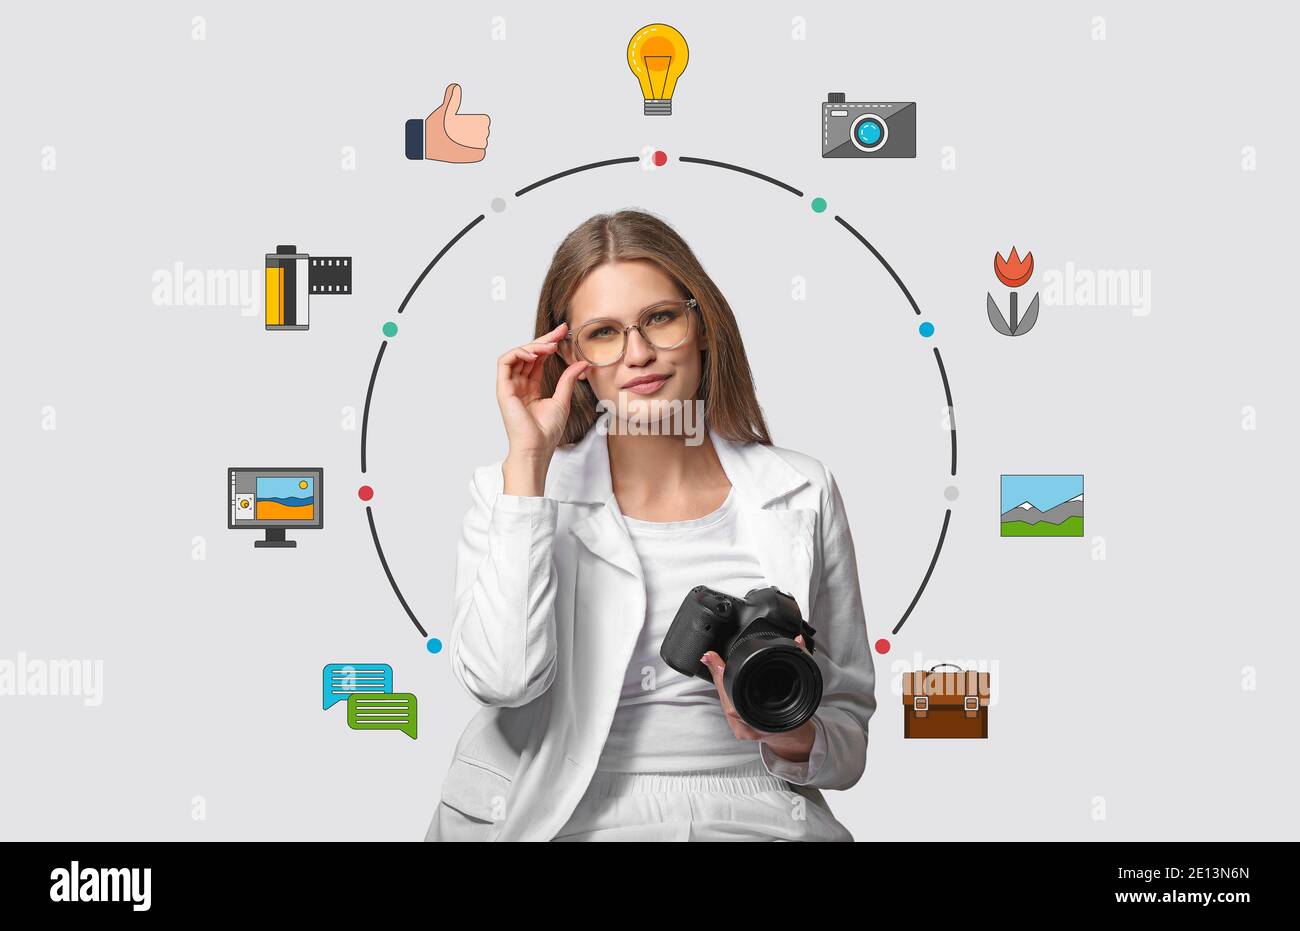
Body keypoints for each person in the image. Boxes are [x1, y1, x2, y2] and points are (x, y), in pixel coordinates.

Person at [425, 209, 876, 841]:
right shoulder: (515, 490)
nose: (639, 354)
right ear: (571, 358)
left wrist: (789, 730)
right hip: (564, 812)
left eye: (661, 318)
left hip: (759, 810)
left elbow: (848, 733)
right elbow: (504, 681)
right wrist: (528, 465)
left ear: (702, 326)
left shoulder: (802, 490)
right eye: (604, 333)